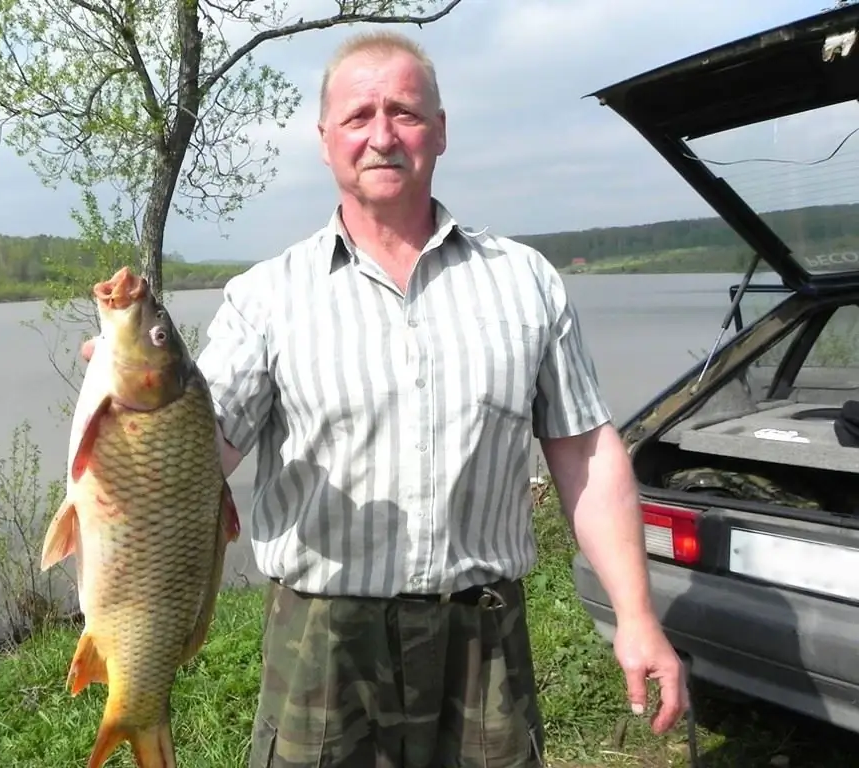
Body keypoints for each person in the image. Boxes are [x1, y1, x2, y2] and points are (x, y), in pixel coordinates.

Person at [83, 30, 688, 768]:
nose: (382, 135)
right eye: (359, 116)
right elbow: (201, 458)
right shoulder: (266, 297)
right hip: (323, 647)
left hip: (484, 644)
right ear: (325, 139)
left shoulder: (524, 281)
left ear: (439, 129)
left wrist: (636, 615)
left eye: (403, 112)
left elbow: (584, 450)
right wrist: (128, 422)